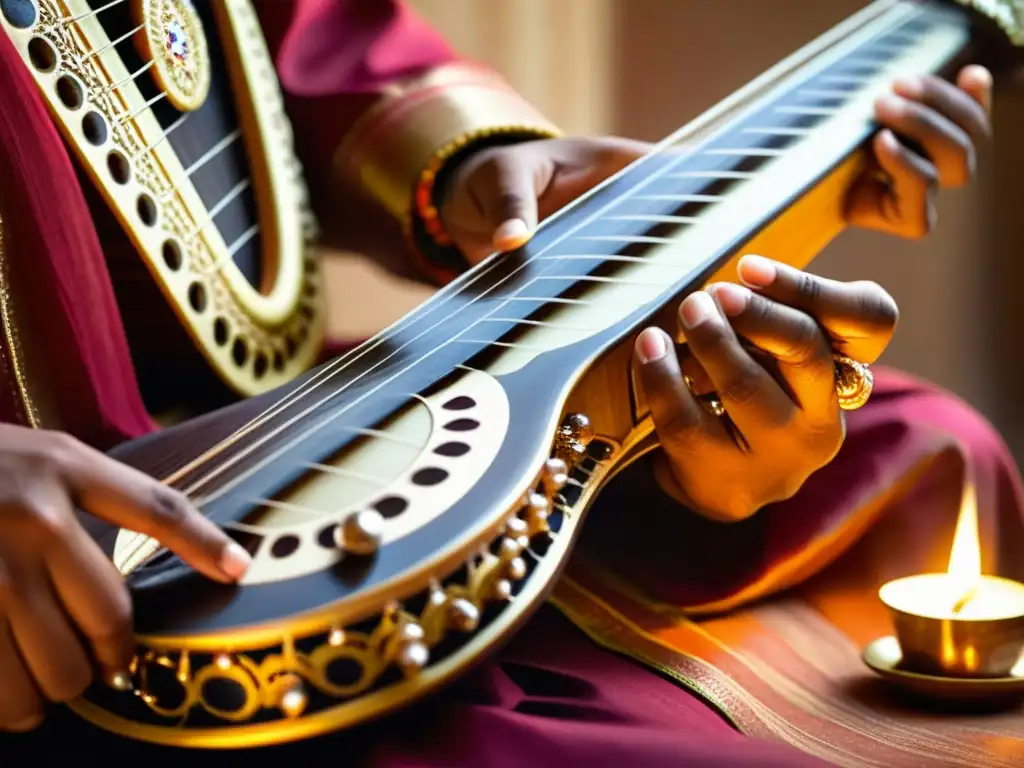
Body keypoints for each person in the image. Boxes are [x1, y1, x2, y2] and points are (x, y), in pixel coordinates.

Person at [0, 1, 1020, 764]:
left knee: (918, 442)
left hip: (273, 422)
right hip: (65, 566)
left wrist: (477, 172)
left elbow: (286, 38)